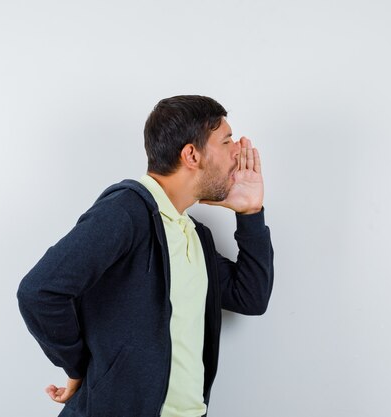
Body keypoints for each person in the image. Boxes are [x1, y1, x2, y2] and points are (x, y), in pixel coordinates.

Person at [17, 95, 274, 417]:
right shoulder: (125, 212)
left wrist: (251, 212)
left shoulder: (191, 231)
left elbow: (250, 298)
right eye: (226, 140)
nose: (238, 150)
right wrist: (81, 366)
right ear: (192, 154)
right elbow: (40, 291)